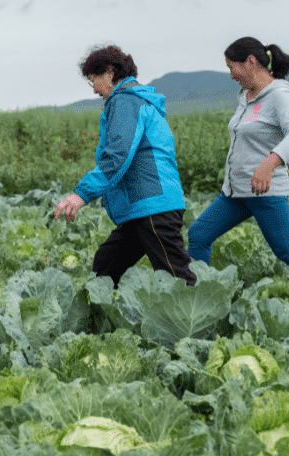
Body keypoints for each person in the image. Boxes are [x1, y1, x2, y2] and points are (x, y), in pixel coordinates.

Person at [186, 37, 289, 302]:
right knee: (198, 234)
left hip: (265, 191)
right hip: (236, 192)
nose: (231, 74)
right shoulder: (246, 97)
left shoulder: (279, 94)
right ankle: (197, 297)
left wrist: (270, 164)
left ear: (251, 62)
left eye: (232, 67)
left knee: (288, 251)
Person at [54, 45, 197, 288]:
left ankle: (203, 323)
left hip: (153, 206)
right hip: (141, 207)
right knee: (107, 263)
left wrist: (81, 194)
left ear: (109, 73)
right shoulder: (137, 101)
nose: (94, 89)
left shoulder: (125, 102)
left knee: (177, 280)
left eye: (93, 80)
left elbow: (118, 155)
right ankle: (102, 322)